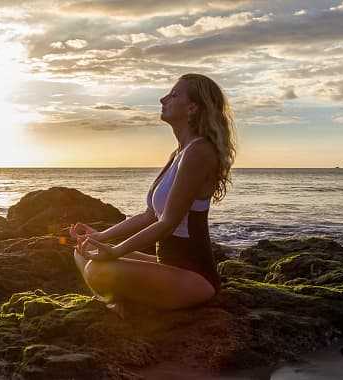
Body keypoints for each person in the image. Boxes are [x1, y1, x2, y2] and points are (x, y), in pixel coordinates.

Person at [69, 73, 236, 316]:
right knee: (82, 250)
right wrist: (102, 237)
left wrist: (116, 251)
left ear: (192, 108)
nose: (162, 99)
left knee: (98, 269)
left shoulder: (199, 152)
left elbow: (167, 223)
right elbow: (150, 215)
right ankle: (126, 302)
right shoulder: (180, 152)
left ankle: (122, 304)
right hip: (167, 266)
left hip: (195, 278)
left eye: (174, 94)